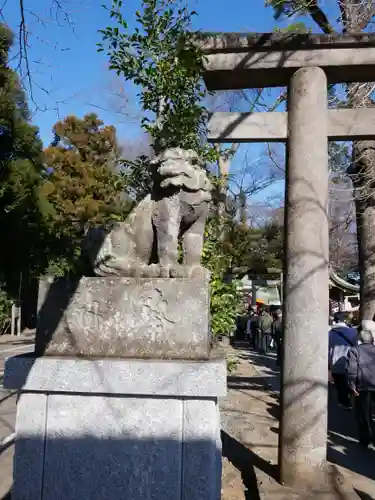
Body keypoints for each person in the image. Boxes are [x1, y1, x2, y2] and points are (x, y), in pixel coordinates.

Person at [347, 320, 375, 448]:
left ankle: (366, 439)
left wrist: (352, 385)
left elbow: (352, 370)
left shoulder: (354, 350)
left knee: (364, 413)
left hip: (362, 386)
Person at [328, 311, 357, 410]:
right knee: (350, 381)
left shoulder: (329, 333)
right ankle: (352, 398)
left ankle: (344, 402)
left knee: (340, 384)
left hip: (335, 362)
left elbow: (327, 349)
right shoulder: (353, 331)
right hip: (351, 362)